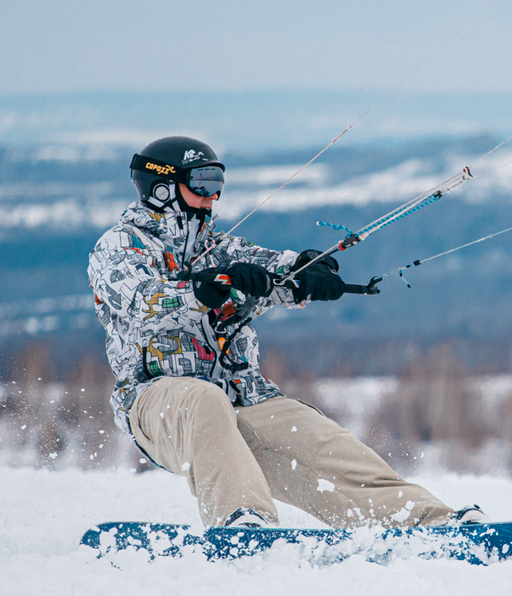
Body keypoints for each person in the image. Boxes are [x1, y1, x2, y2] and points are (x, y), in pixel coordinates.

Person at [88, 135, 476, 530]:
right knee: (204, 401)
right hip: (157, 404)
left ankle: (425, 522)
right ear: (163, 188)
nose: (212, 196)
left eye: (218, 185)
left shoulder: (220, 248)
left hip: (244, 399)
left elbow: (273, 269)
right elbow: (142, 302)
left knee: (319, 440)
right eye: (202, 184)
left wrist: (308, 271)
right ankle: (242, 523)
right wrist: (201, 290)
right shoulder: (119, 247)